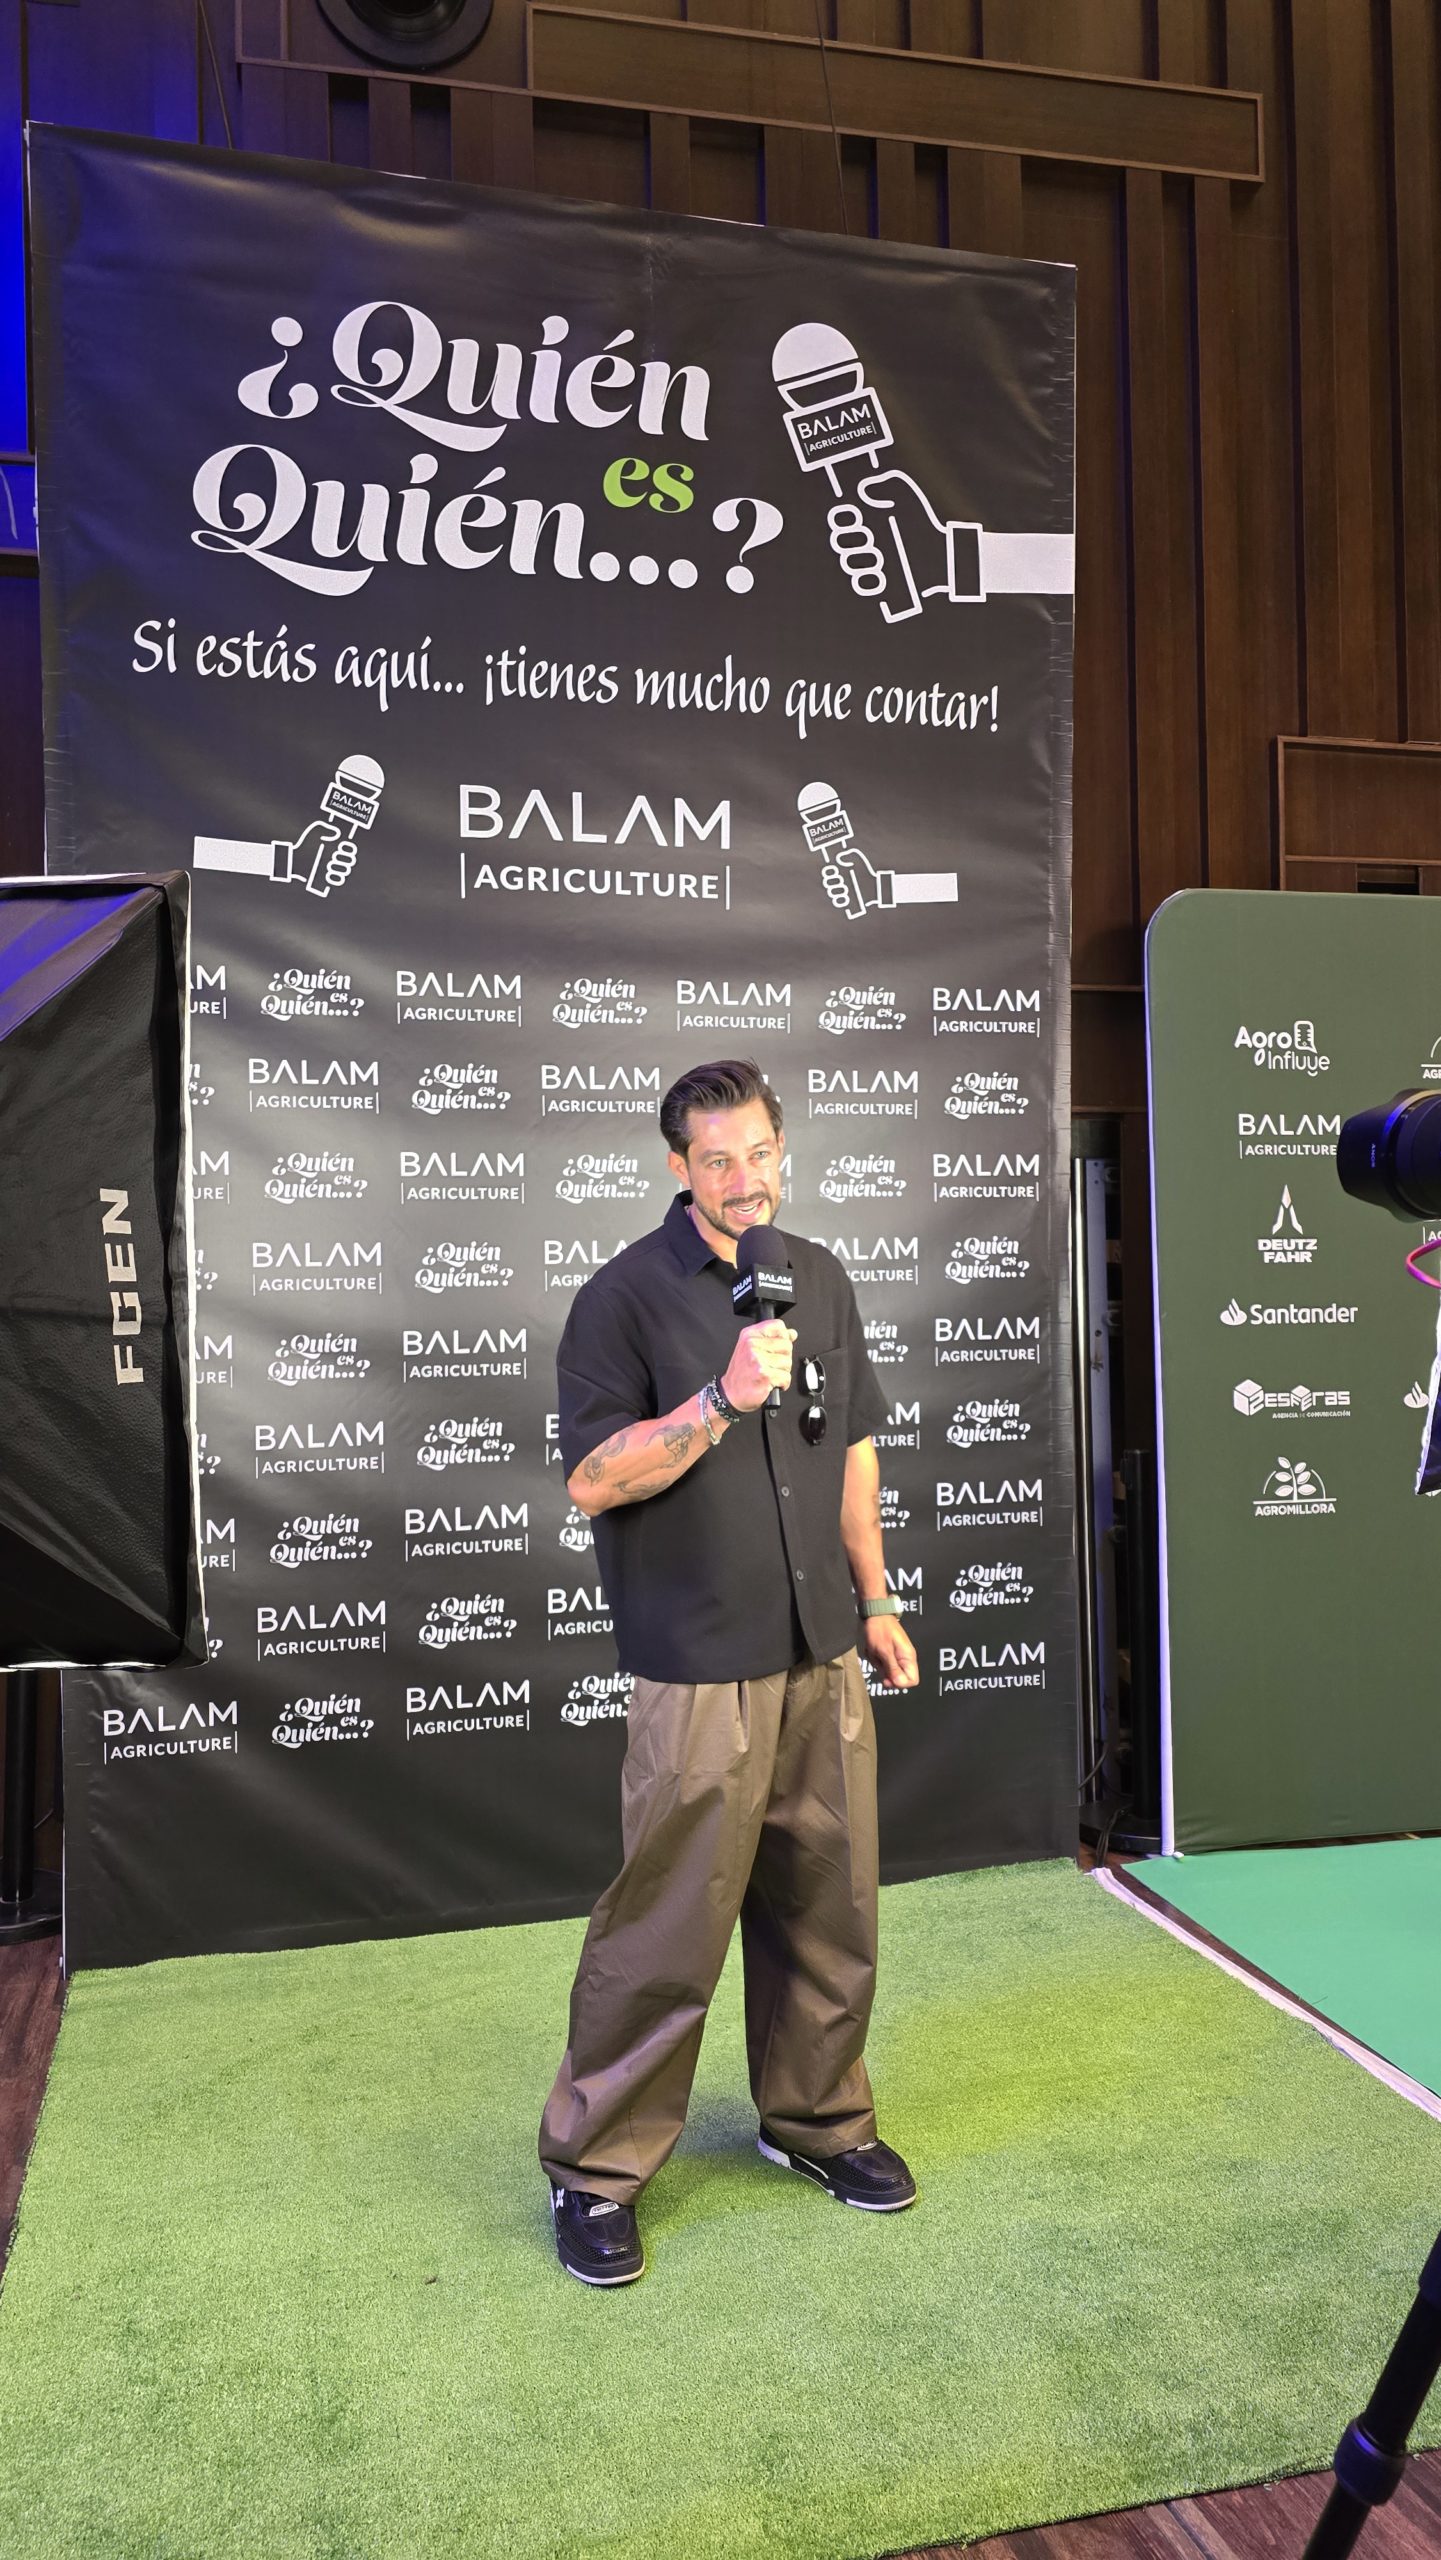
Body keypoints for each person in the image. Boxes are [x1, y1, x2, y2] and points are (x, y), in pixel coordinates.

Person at [538, 1057, 920, 2286]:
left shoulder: (818, 1275)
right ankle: (596, 2170)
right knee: (666, 1923)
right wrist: (718, 1396)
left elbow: (850, 1448)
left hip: (822, 1648)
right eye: (716, 1160)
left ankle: (817, 2120)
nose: (744, 1179)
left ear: (779, 1148)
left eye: (759, 1152)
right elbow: (593, 1478)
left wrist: (875, 1597)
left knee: (830, 1906)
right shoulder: (622, 1297)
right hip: (698, 1661)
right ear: (677, 1167)